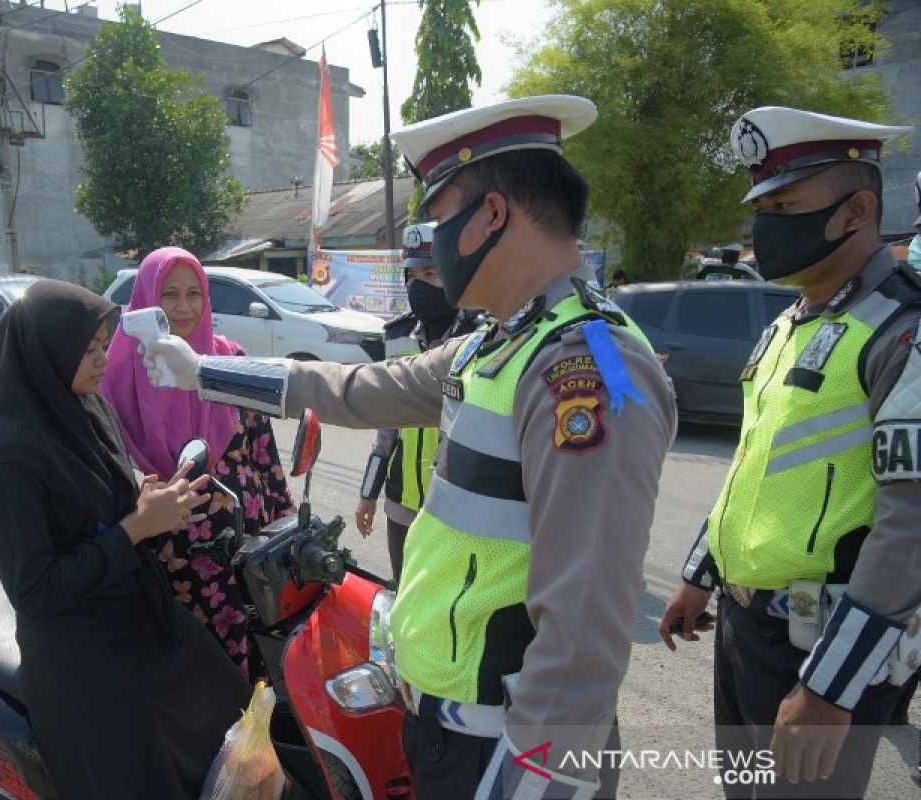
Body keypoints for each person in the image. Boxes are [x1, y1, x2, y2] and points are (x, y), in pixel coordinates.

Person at [145, 95, 678, 799]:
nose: (427, 236)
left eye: (438, 212)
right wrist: (203, 370)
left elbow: (584, 632)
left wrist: (534, 784)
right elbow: (357, 388)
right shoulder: (498, 341)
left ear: (491, 215)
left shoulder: (592, 360)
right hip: (442, 725)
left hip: (505, 750)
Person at [659, 107, 921, 798]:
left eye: (785, 206)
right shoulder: (787, 324)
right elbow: (756, 466)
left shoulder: (902, 334)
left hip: (817, 649)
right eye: (762, 207)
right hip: (743, 633)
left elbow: (910, 530)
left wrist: (832, 688)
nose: (762, 226)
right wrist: (699, 574)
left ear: (856, 210)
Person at [0, 280, 251, 799]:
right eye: (91, 348)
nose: (105, 358)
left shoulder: (84, 405)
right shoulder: (11, 460)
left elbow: (110, 484)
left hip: (132, 608)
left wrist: (159, 496)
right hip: (81, 647)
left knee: (227, 705)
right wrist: (135, 528)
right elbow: (35, 589)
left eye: (105, 345)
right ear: (49, 350)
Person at [100, 247, 293, 680]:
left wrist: (285, 529)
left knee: (249, 681)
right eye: (170, 294)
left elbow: (264, 454)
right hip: (165, 565)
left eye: (194, 294)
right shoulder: (115, 377)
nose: (184, 307)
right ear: (147, 298)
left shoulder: (231, 363)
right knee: (182, 681)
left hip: (243, 558)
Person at [355, 222, 477, 581]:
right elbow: (385, 429)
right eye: (412, 275)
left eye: (430, 273)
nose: (419, 285)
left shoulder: (478, 337)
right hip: (402, 505)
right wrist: (368, 494)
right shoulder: (396, 336)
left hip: (457, 510)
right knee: (403, 596)